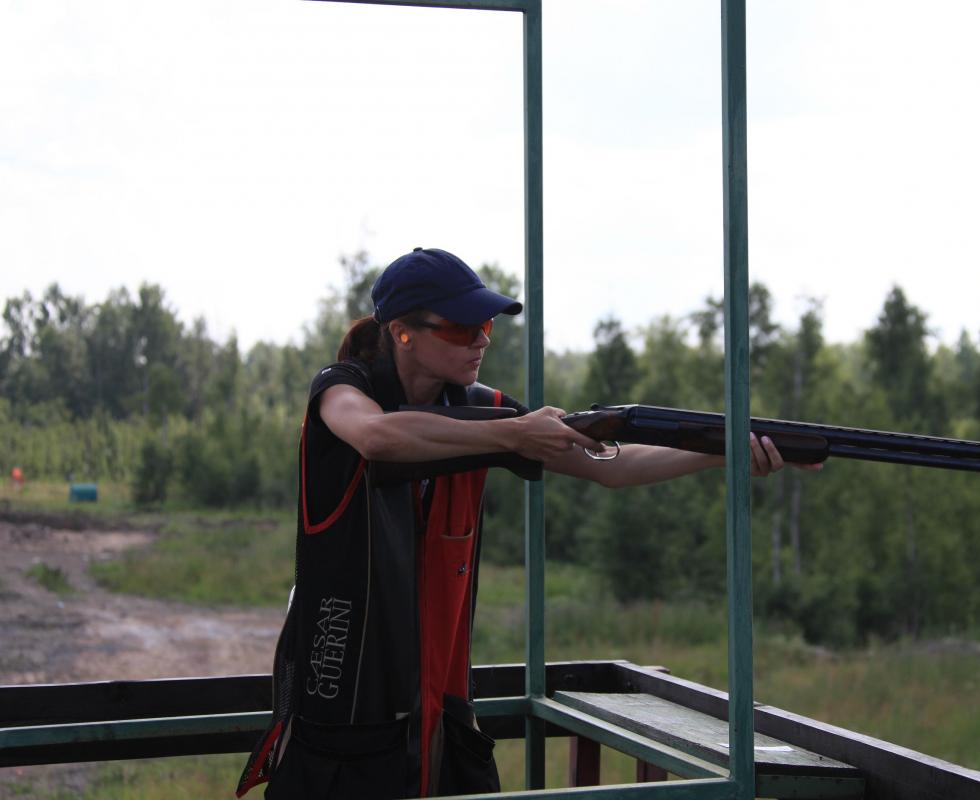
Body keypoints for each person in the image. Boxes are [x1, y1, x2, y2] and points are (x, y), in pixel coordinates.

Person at [237, 247, 815, 799]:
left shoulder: (479, 408)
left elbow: (612, 468)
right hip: (341, 725)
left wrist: (725, 453)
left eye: (486, 326)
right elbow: (376, 436)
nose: (482, 340)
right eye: (462, 328)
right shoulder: (342, 387)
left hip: (440, 728)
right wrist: (514, 433)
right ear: (402, 332)